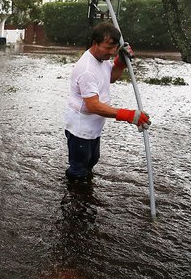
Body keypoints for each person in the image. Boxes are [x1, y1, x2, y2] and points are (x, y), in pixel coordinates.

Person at [64, 22, 150, 181]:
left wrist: (120, 62)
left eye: (115, 48)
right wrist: (128, 115)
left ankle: (83, 192)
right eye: (108, 48)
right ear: (95, 43)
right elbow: (93, 105)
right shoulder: (87, 69)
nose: (111, 52)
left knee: (92, 160)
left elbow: (110, 77)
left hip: (94, 127)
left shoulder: (102, 60)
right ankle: (73, 199)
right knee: (79, 170)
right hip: (81, 129)